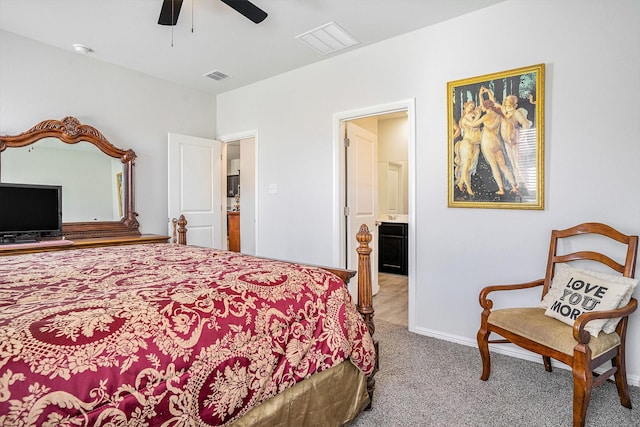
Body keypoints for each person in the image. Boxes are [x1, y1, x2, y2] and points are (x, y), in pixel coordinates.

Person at [472, 87, 518, 195]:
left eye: (482, 106)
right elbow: (492, 103)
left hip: (488, 143)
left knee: (494, 166)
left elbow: (473, 125)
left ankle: (501, 189)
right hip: (497, 142)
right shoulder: (498, 115)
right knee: (503, 165)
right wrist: (483, 94)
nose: (480, 106)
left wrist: (478, 114)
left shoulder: (485, 117)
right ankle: (514, 186)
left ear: (485, 107)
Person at [455, 100, 482, 195]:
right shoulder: (464, 119)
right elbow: (473, 125)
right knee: (466, 165)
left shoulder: (474, 115)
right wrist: (478, 115)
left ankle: (461, 183)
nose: (472, 107)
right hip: (467, 143)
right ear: (465, 107)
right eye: (470, 105)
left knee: (470, 166)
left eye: (473, 106)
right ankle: (469, 188)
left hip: (475, 143)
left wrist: (480, 95)